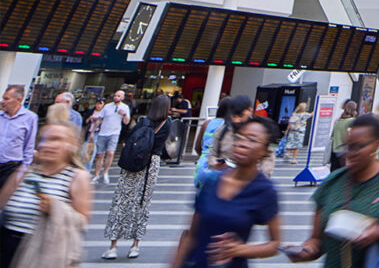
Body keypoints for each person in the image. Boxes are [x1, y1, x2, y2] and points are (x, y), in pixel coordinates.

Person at [289, 113, 379, 267]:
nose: (351, 153)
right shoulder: (333, 182)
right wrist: (306, 250)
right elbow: (317, 239)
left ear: (376, 144)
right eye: (348, 146)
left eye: (359, 146)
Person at [169, 116, 282, 268]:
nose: (242, 144)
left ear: (266, 150)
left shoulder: (264, 190)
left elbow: (275, 244)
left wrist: (240, 249)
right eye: (240, 137)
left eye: (252, 140)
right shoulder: (212, 181)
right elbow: (191, 234)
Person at [0, 123, 90, 268]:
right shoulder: (24, 172)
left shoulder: (77, 177)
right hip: (6, 250)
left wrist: (56, 207)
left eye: (56, 139)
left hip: (42, 254)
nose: (47, 144)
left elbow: (82, 221)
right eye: (43, 139)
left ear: (72, 145)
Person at [101, 94, 173, 260]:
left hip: (132, 163)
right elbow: (162, 146)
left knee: (121, 202)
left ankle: (113, 247)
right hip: (151, 165)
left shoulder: (143, 121)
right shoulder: (167, 123)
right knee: (142, 204)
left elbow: (127, 140)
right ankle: (135, 246)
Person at [0, 85, 38, 195]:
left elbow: (29, 146)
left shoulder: (30, 118)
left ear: (18, 100)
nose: (3, 102)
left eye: (6, 99)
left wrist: (22, 171)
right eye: (3, 98)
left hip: (11, 168)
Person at [91, 88, 132, 184]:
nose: (116, 97)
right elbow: (99, 119)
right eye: (115, 95)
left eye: (118, 96)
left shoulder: (125, 107)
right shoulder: (107, 107)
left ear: (122, 97)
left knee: (110, 153)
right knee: (100, 155)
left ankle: (105, 172)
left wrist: (124, 114)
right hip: (103, 132)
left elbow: (126, 122)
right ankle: (97, 174)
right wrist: (93, 131)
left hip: (115, 133)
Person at [329, 100, 356, 170]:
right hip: (344, 151)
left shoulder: (338, 121)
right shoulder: (352, 121)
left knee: (334, 172)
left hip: (334, 150)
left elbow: (332, 135)